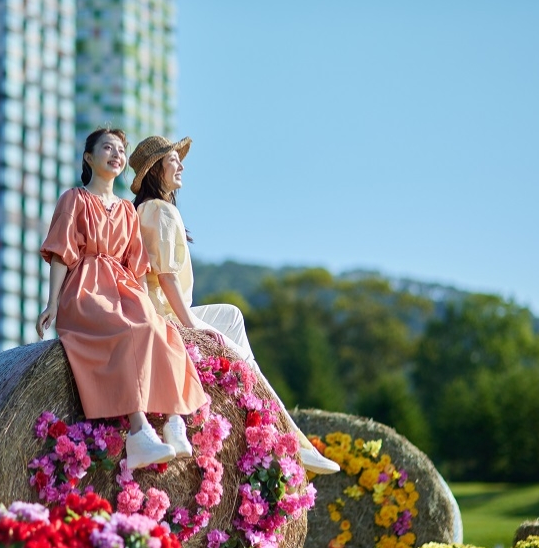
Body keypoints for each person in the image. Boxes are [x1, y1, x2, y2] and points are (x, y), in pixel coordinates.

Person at [129, 135, 340, 474]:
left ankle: (294, 436)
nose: (181, 166)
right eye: (173, 160)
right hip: (165, 313)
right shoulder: (159, 210)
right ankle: (295, 441)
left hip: (166, 308)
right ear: (155, 169)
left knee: (231, 317)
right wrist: (192, 327)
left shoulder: (149, 209)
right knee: (239, 354)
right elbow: (166, 278)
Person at [36, 128, 209, 470]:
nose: (116, 154)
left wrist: (146, 308)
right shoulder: (73, 199)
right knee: (128, 330)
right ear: (89, 157)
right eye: (107, 148)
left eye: (120, 150)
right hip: (86, 288)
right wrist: (52, 303)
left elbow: (137, 265)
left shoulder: (128, 211)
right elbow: (60, 253)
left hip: (123, 285)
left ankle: (174, 420)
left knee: (158, 329)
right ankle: (138, 431)